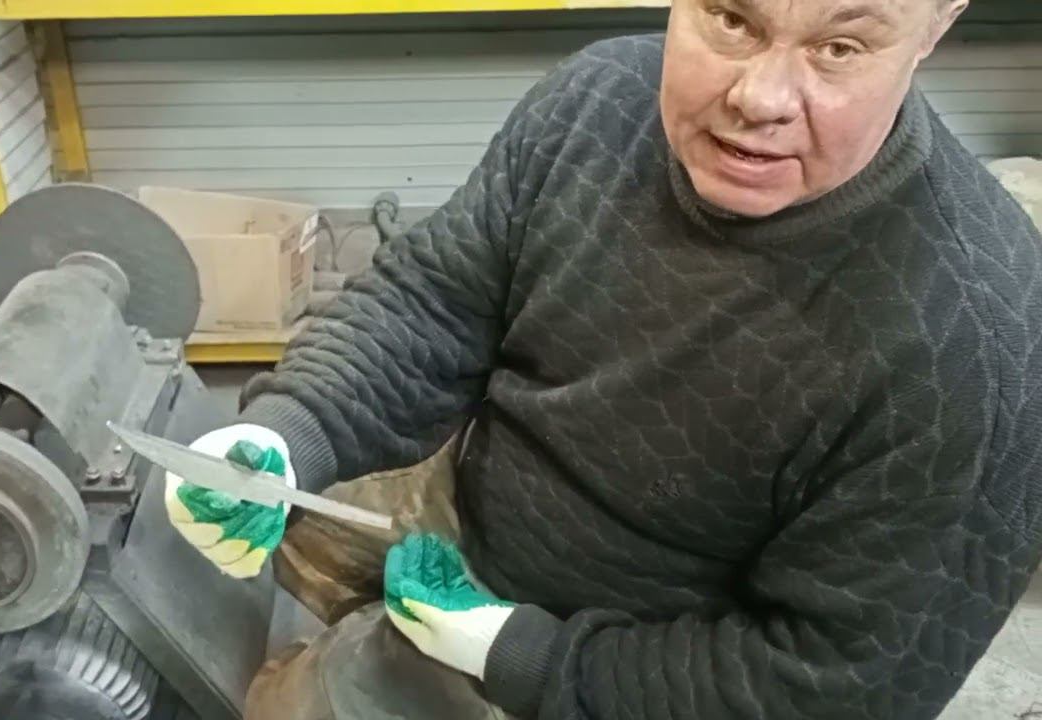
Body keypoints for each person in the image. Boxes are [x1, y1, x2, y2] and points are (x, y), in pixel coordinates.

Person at [164, 0, 1042, 717]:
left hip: (637, 669)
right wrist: (294, 430)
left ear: (936, 25)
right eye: (732, 19)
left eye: (839, 47)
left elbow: (837, 687)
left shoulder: (969, 348)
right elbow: (436, 298)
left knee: (294, 705)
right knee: (175, 567)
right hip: (480, 499)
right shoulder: (599, 100)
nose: (760, 98)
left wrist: (528, 659)